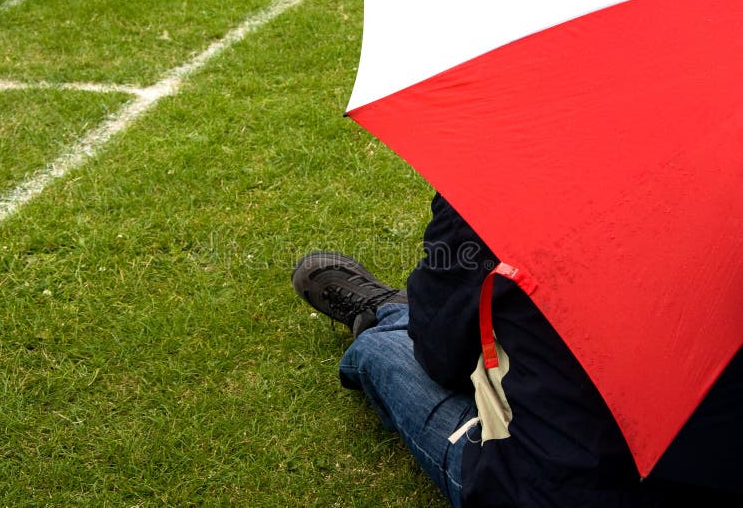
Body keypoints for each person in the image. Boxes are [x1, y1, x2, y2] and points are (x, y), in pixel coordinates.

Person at [292, 193, 742, 507]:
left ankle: (385, 313)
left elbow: (437, 354)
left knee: (387, 350)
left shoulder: (495, 186)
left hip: (552, 488)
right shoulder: (721, 190)